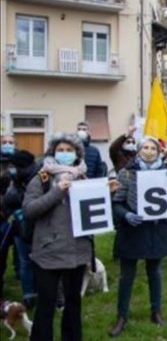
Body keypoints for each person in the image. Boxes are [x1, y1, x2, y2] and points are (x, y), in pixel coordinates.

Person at [22, 134, 93, 341]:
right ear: (53, 152)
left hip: (77, 251)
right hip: (48, 251)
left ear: (77, 154)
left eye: (69, 150)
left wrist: (108, 194)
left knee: (73, 303)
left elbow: (93, 213)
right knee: (46, 304)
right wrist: (56, 192)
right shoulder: (41, 178)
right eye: (60, 150)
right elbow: (29, 210)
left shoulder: (83, 178)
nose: (64, 154)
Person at [109, 136, 167, 337]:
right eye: (145, 147)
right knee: (126, 275)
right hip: (132, 230)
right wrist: (126, 215)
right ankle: (121, 316)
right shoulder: (126, 173)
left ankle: (156, 311)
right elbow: (117, 203)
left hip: (155, 230)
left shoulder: (166, 173)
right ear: (139, 150)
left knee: (154, 272)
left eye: (153, 148)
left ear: (158, 152)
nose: (149, 151)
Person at [1, 150, 38, 307]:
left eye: (13, 166)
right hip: (19, 228)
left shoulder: (38, 179)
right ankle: (28, 294)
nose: (10, 169)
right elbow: (9, 200)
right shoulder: (15, 180)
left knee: (36, 261)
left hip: (37, 228)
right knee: (24, 262)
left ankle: (42, 292)